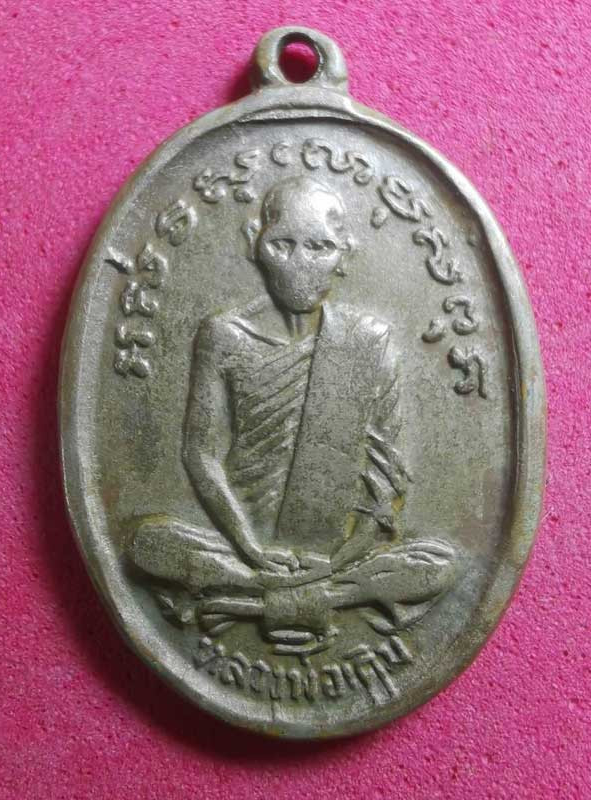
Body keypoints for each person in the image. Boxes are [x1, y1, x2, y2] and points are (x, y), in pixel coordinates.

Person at [128, 176, 458, 648]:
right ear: (255, 243)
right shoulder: (224, 335)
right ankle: (315, 597)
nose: (301, 263)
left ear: (345, 253)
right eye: (283, 245)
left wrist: (342, 558)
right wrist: (250, 546)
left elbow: (387, 478)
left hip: (338, 557)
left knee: (438, 564)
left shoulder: (369, 340)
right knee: (149, 546)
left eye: (320, 247)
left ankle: (255, 598)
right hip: (243, 545)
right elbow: (200, 454)